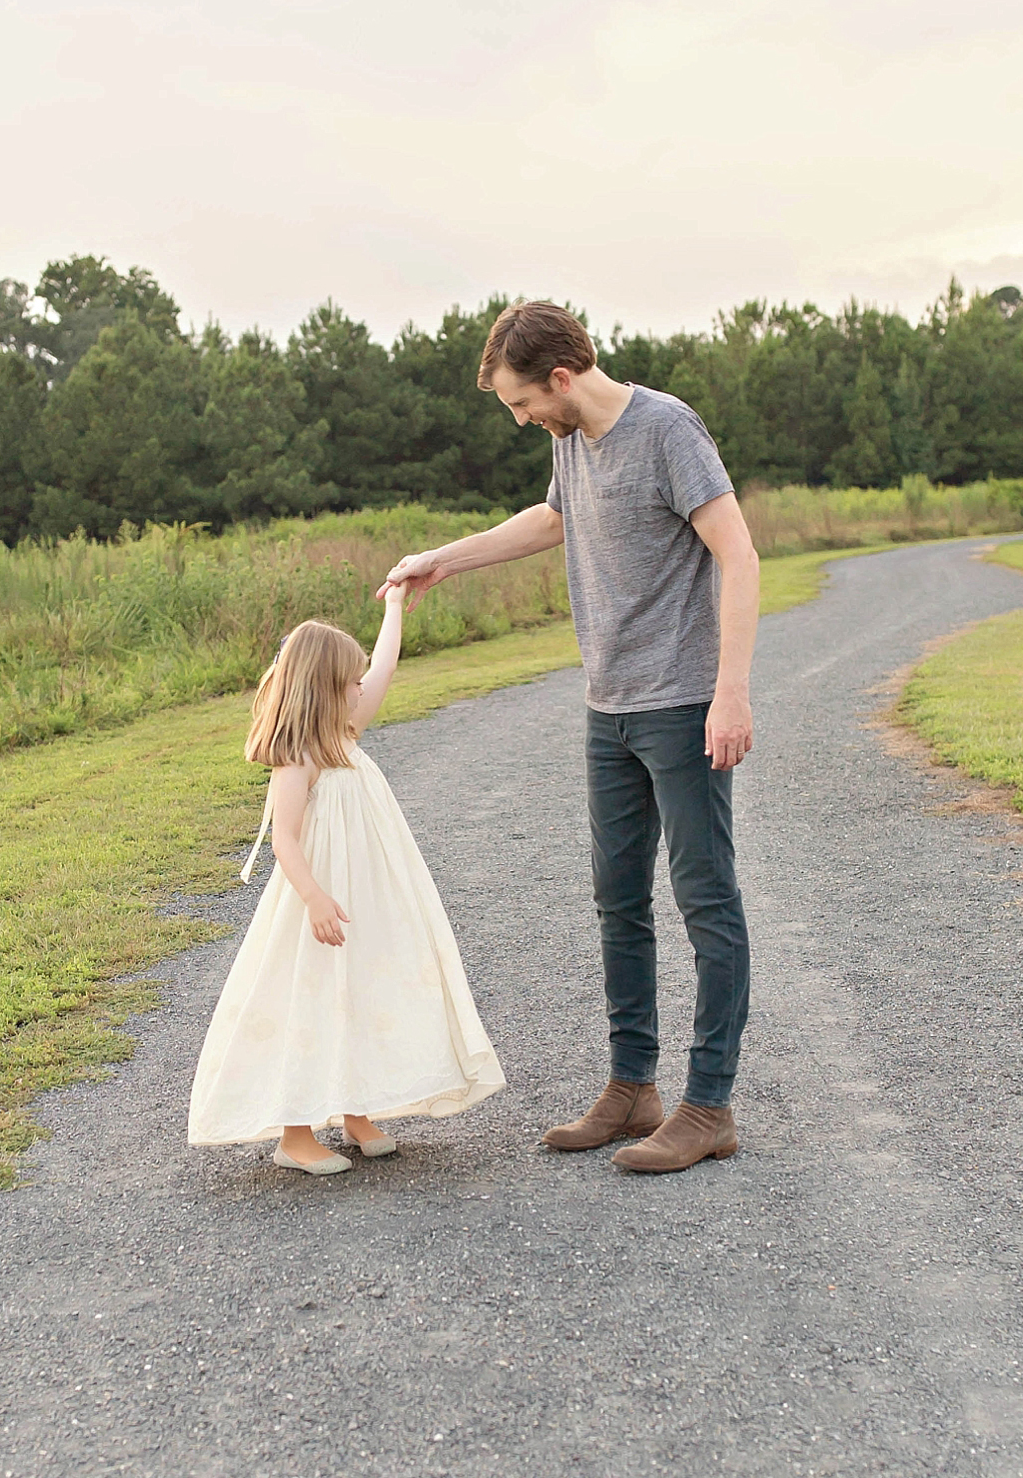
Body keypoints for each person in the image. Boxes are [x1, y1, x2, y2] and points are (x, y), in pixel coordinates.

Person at [378, 301, 758, 1176]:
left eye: (520, 403)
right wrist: (446, 557)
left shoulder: (668, 430)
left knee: (706, 899)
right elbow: (554, 521)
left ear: (559, 377)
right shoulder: (570, 441)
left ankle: (709, 1105)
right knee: (617, 899)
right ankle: (634, 1087)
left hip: (682, 702)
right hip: (609, 704)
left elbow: (737, 554)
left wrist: (730, 692)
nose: (519, 420)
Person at [187, 585, 505, 1173]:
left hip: (365, 898)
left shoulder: (344, 733)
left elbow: (384, 665)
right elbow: (284, 839)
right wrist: (312, 897)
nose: (363, 688)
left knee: (364, 989)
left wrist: (393, 608)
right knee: (304, 1001)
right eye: (350, 681)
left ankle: (355, 1110)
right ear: (325, 689)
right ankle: (295, 1134)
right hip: (318, 903)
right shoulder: (299, 756)